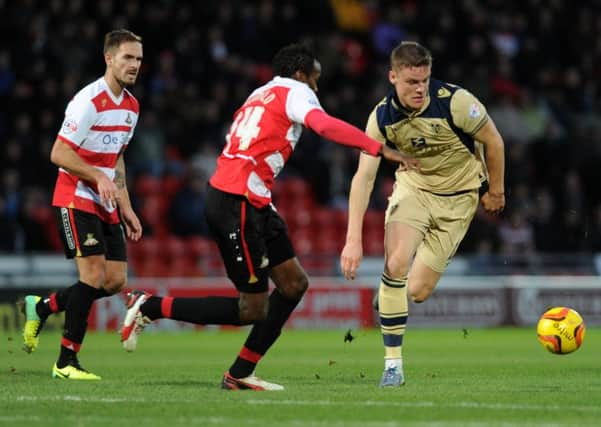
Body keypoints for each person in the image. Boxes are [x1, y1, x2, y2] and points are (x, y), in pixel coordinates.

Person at [120, 43, 417, 391]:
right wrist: (378, 148)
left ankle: (241, 372)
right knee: (252, 309)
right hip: (236, 202)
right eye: (314, 80)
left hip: (253, 199)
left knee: (293, 284)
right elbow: (322, 126)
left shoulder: (259, 93)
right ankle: (152, 306)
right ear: (301, 74)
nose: (316, 89)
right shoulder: (296, 91)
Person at [340, 41, 505, 387]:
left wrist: (496, 191)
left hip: (459, 199)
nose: (419, 89)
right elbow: (364, 177)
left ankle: (388, 294)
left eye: (424, 81)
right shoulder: (381, 117)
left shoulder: (456, 102)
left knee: (417, 291)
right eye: (411, 82)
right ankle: (392, 366)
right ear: (393, 77)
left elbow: (494, 140)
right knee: (397, 263)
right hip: (414, 191)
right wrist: (352, 240)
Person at [21, 29, 144, 380]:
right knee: (91, 276)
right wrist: (97, 176)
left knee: (115, 281)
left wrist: (127, 206)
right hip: (75, 194)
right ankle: (65, 362)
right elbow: (58, 153)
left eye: (138, 59)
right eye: (127, 58)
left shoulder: (132, 107)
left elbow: (118, 160)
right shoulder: (88, 101)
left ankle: (42, 306)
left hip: (106, 199)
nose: (134, 65)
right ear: (109, 58)